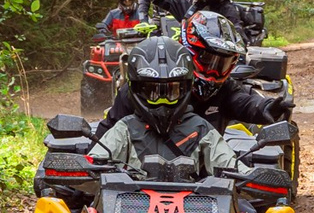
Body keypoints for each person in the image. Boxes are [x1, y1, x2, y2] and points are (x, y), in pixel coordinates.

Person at [97, 11, 292, 136]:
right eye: (208, 60)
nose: (214, 71)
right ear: (188, 52)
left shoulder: (224, 90)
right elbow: (106, 134)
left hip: (204, 179)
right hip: (136, 180)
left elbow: (244, 102)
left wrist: (266, 107)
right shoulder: (146, 86)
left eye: (222, 63)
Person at [88, 35, 248, 180]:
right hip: (130, 207)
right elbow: (93, 164)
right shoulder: (125, 128)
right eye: (152, 92)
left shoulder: (200, 128)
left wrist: (253, 177)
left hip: (194, 208)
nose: (162, 100)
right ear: (136, 89)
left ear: (186, 88)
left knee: (248, 212)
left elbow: (232, 167)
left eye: (172, 91)